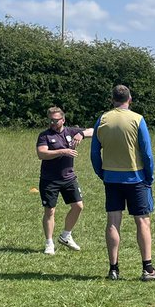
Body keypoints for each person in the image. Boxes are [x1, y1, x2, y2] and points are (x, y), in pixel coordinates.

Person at [89, 84, 155, 281]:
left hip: (111, 178)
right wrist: (149, 177)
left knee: (113, 222)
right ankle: (147, 269)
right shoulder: (137, 119)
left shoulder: (102, 119)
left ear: (112, 99)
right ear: (129, 99)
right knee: (142, 221)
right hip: (136, 178)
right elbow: (147, 153)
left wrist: (102, 173)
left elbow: (94, 153)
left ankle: (113, 269)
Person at [36, 106, 94, 255]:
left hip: (69, 178)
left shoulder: (70, 132)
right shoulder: (45, 136)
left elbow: (93, 131)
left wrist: (81, 133)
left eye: (56, 120)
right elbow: (41, 153)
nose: (53, 123)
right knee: (50, 211)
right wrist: (63, 151)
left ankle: (66, 235)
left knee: (78, 206)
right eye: (51, 120)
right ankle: (49, 243)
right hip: (50, 179)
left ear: (63, 119)